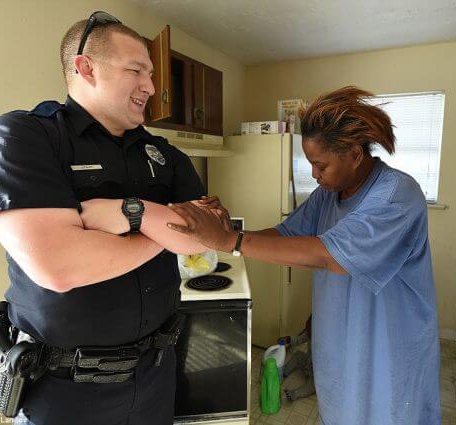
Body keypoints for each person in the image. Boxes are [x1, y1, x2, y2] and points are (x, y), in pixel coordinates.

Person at [0, 11, 215, 425]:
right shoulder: (23, 137)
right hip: (63, 392)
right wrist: (163, 225)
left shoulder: (164, 154)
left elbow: (206, 237)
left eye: (152, 74)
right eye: (136, 70)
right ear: (86, 67)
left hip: (156, 377)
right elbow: (60, 266)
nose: (151, 87)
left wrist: (131, 214)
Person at [159, 86, 441, 424]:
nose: (314, 175)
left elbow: (330, 256)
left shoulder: (395, 195)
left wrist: (228, 240)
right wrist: (228, 230)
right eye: (310, 164)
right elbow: (287, 234)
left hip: (388, 345)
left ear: (353, 153)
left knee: (387, 413)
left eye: (321, 165)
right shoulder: (329, 194)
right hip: (340, 336)